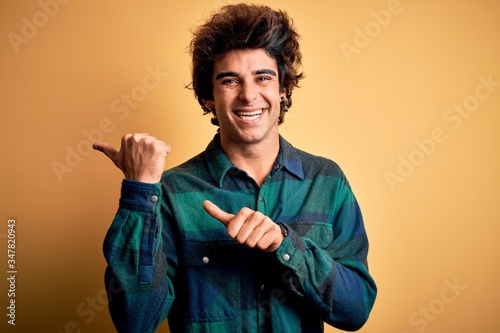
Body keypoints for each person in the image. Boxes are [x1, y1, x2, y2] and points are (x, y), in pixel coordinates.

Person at [93, 3, 377, 333]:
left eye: (263, 78)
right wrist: (141, 192)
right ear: (207, 98)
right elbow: (135, 321)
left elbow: (356, 309)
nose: (248, 95)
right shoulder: (170, 193)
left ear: (283, 90)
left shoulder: (326, 181)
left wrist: (283, 245)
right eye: (230, 80)